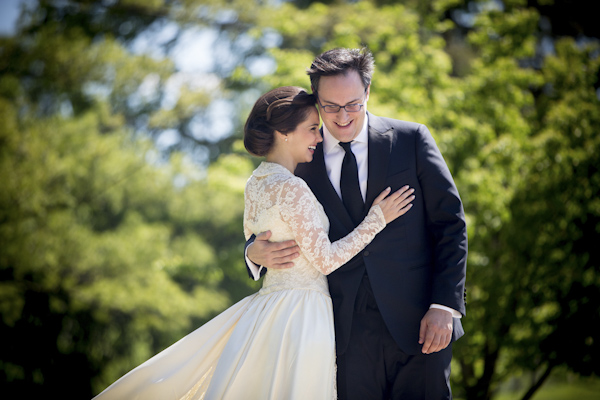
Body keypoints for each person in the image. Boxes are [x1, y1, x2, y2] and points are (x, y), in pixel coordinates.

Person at [93, 86, 415, 399]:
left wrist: (252, 253)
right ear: (285, 133)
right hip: (301, 315)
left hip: (268, 309)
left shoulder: (255, 184)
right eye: (312, 129)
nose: (319, 137)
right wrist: (377, 219)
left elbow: (256, 239)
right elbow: (325, 260)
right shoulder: (293, 189)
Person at [246, 48, 468, 399]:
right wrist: (252, 252)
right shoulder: (300, 160)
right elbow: (271, 218)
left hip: (423, 326)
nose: (343, 116)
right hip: (341, 338)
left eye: (352, 103)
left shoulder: (411, 140)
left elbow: (450, 226)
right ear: (317, 101)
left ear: (367, 92)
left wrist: (444, 306)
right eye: (330, 106)